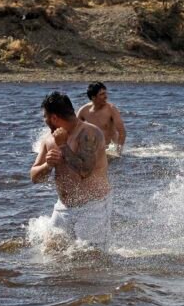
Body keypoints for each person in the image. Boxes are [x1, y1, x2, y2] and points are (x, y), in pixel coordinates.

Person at [30, 91, 111, 252]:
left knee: (92, 257)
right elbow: (34, 177)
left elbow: (85, 171)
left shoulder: (89, 133)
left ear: (53, 118)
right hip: (63, 207)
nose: (44, 121)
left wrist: (62, 146)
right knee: (50, 251)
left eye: (45, 117)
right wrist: (47, 165)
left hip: (93, 206)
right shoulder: (49, 139)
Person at [77, 82, 126, 157]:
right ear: (93, 97)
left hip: (110, 151)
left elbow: (122, 132)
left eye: (105, 93)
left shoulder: (111, 109)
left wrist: (118, 152)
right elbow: (73, 130)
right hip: (94, 151)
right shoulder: (84, 111)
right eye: (102, 94)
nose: (106, 96)